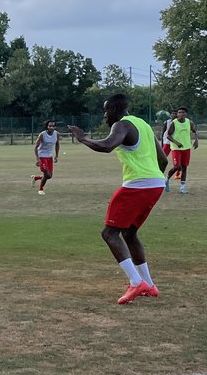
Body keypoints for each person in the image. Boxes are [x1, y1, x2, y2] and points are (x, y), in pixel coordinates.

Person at [68, 94, 168, 305]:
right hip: (156, 184)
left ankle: (135, 281)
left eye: (106, 111)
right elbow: (164, 159)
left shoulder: (122, 125)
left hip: (137, 185)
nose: (104, 115)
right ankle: (149, 285)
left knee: (109, 233)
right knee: (129, 233)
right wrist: (153, 179)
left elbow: (107, 146)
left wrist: (83, 138)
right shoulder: (144, 125)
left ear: (114, 109)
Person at [164, 107, 199, 194]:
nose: (180, 114)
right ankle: (166, 179)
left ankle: (182, 188)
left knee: (184, 167)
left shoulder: (189, 122)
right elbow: (168, 135)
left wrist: (196, 140)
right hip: (176, 148)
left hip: (186, 147)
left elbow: (195, 131)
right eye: (179, 112)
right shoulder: (174, 123)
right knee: (177, 167)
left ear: (186, 114)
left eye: (183, 112)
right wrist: (176, 142)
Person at [31, 120, 61, 195]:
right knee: (46, 175)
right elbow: (36, 147)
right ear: (47, 127)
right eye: (50, 126)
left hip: (49, 156)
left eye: (53, 126)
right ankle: (40, 189)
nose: (51, 127)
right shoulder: (42, 135)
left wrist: (56, 156)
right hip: (42, 156)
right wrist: (37, 159)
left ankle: (36, 177)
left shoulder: (56, 134)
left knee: (49, 176)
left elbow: (57, 145)